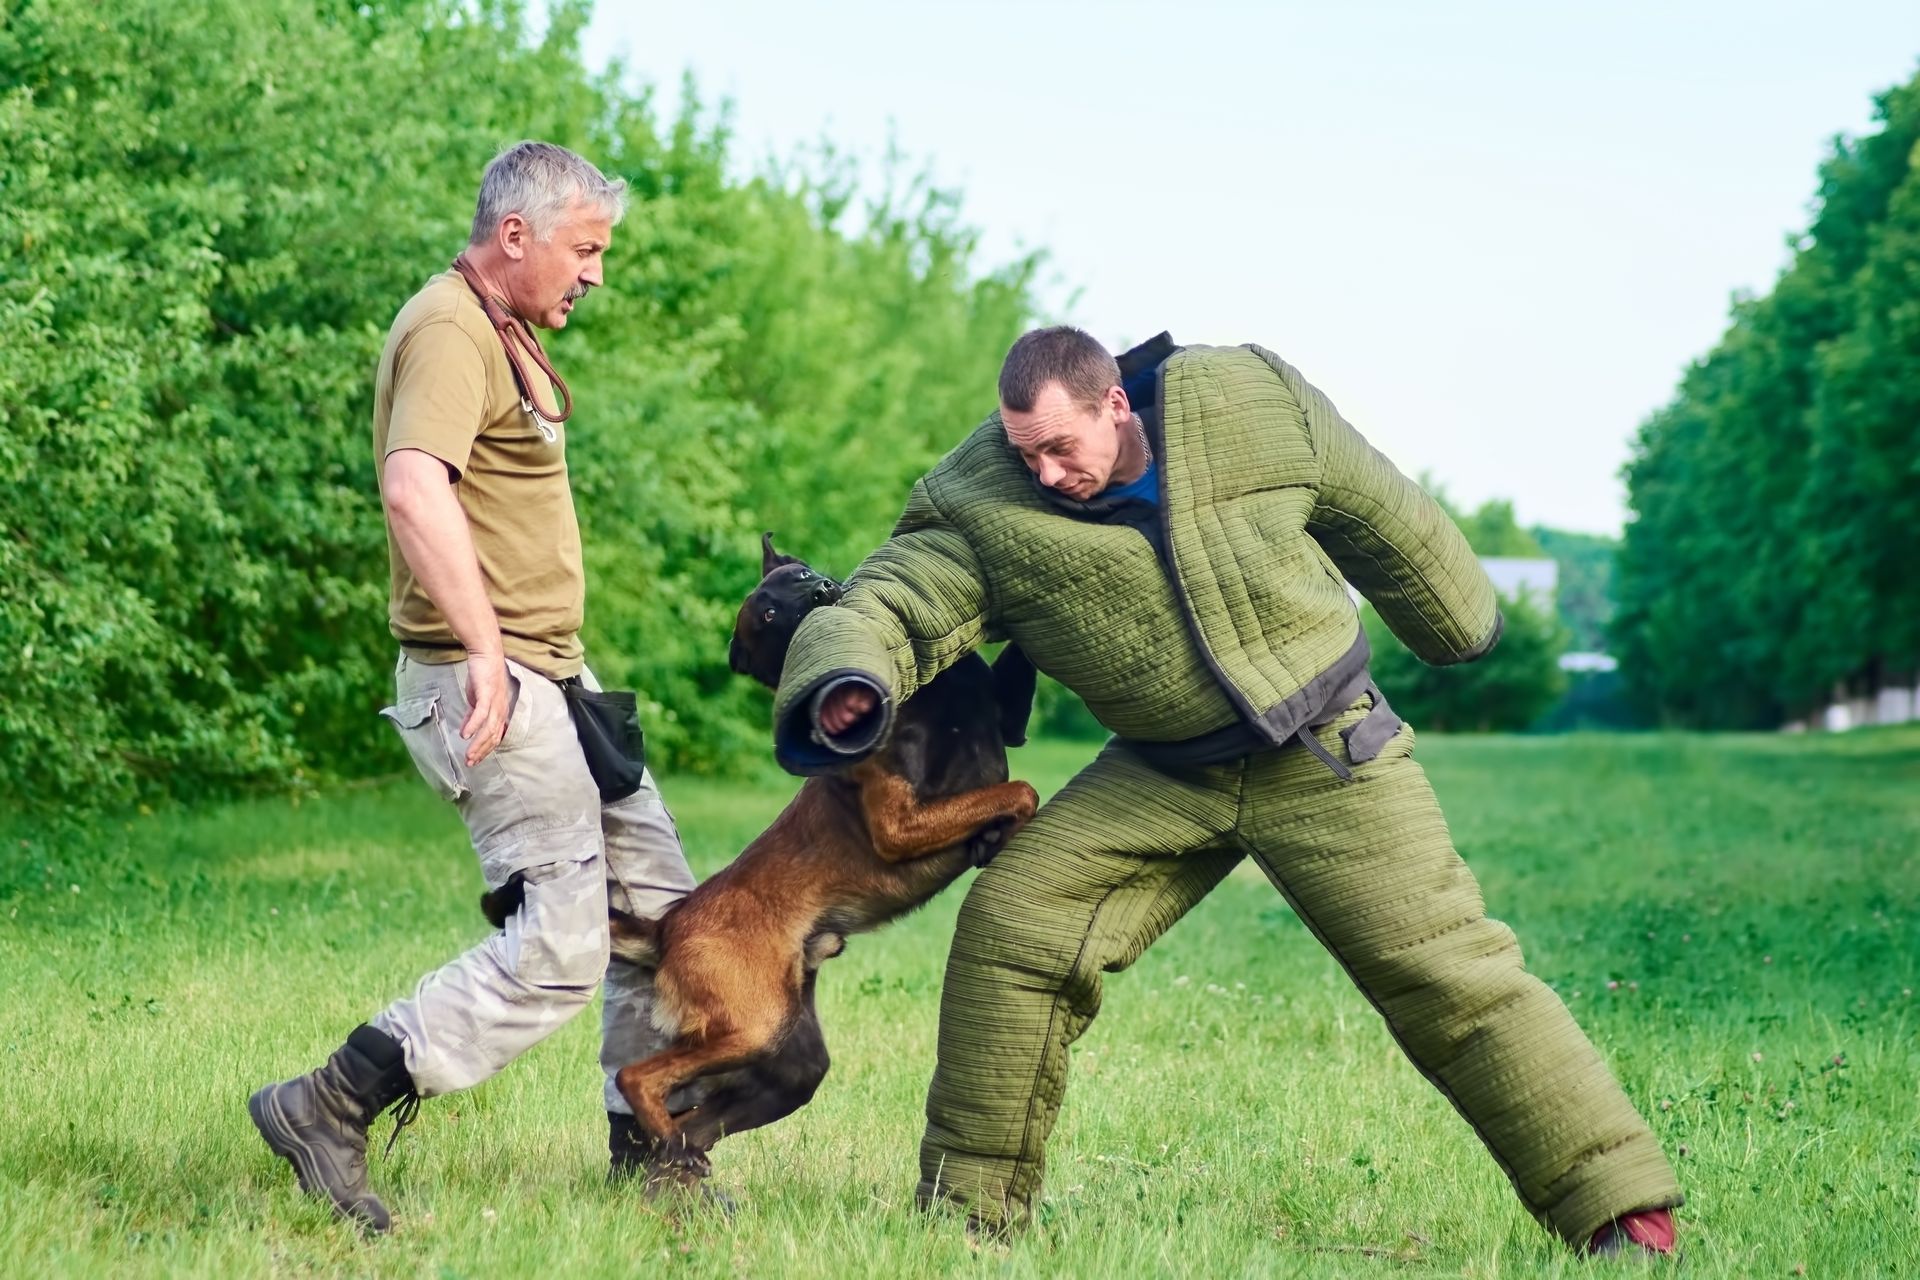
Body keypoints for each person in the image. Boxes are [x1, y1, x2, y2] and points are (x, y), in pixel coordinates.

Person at [770, 326, 1681, 1256]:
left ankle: (1620, 1214)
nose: (1043, 473)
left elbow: (1373, 500)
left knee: (1448, 970)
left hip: (1328, 744)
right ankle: (968, 1220)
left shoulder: (1243, 404)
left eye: (1059, 447)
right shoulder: (980, 504)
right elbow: (890, 599)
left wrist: (1460, 621)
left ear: (1114, 404)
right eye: (1023, 451)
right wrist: (848, 681)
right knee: (1017, 925)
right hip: (1165, 768)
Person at [247, 141, 697, 1231]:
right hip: (487, 676)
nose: (595, 272)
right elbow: (412, 489)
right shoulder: (449, 326)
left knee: (663, 916)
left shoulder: (500, 333)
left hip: (554, 671)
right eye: (585, 249)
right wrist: (490, 647)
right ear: (515, 236)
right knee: (562, 941)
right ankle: (330, 1100)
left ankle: (654, 1157)